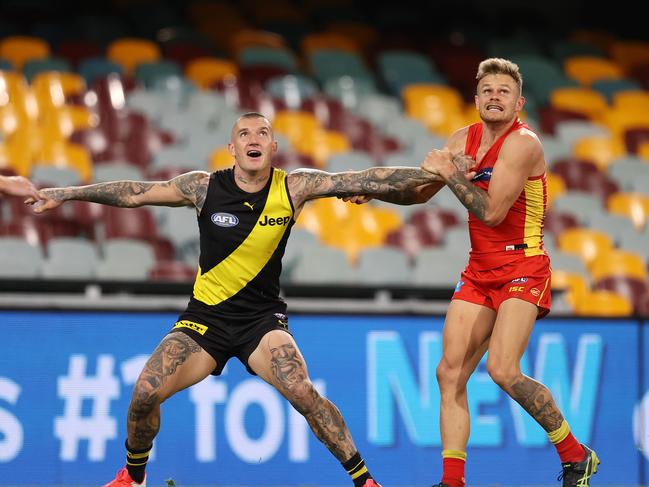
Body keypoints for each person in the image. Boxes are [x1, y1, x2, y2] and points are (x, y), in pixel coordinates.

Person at [28, 112, 470, 487]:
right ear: (232, 149)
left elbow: (368, 178)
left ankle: (366, 481)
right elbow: (135, 193)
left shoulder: (294, 187)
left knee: (303, 392)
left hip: (261, 322)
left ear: (273, 147)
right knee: (144, 393)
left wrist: (439, 173)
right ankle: (134, 477)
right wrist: (66, 193)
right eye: (244, 135)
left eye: (262, 134)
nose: (253, 140)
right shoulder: (202, 188)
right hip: (204, 323)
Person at [347, 58, 600, 487]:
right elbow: (422, 191)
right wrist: (374, 192)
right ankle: (453, 482)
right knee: (449, 373)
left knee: (503, 370)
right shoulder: (463, 139)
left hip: (523, 265)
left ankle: (576, 454)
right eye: (487, 90)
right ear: (476, 98)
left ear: (518, 102)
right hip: (480, 271)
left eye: (503, 91)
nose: (494, 97)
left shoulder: (524, 144)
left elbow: (491, 210)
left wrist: (451, 172)